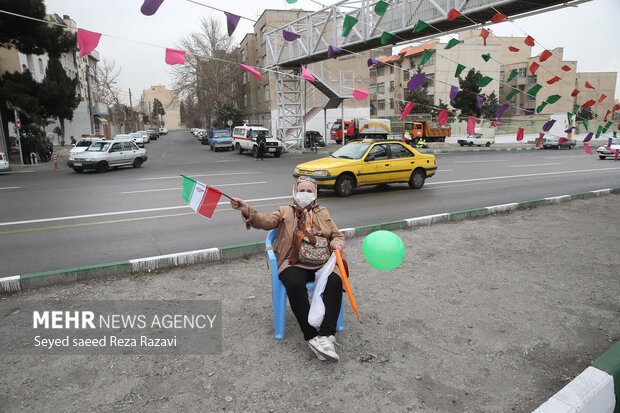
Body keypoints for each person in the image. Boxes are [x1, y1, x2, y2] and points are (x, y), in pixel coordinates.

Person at [230, 176, 346, 361]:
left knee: (335, 281)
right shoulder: (285, 211)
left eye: (309, 191)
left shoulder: (322, 212)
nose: (305, 194)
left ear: (315, 194)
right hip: (292, 261)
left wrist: (337, 244)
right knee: (294, 283)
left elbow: (337, 235)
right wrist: (246, 209)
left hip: (320, 261)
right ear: (294, 192)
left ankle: (326, 335)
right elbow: (264, 221)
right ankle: (311, 337)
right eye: (302, 190)